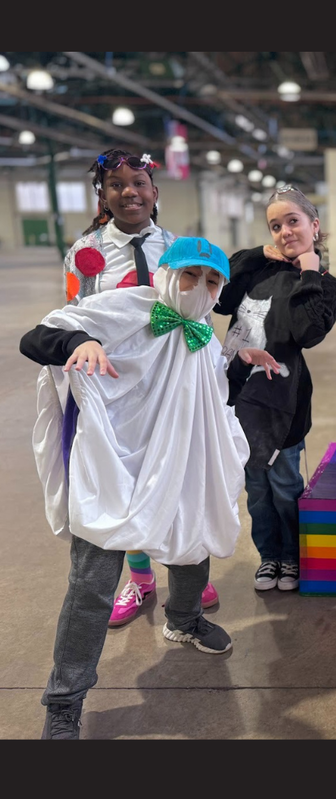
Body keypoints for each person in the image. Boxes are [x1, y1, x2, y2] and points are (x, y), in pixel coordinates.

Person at [20, 236, 280, 738]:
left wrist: (239, 362)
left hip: (179, 457)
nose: (199, 288)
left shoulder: (203, 331)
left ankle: (183, 621)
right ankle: (64, 700)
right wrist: (79, 341)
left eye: (211, 281)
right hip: (114, 463)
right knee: (92, 583)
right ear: (166, 274)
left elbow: (204, 387)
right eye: (190, 275)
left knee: (193, 537)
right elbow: (36, 338)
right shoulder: (125, 307)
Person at [62, 147, 219, 625]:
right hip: (113, 383)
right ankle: (141, 579)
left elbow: (198, 304)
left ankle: (182, 571)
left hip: (169, 381)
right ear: (103, 195)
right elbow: (73, 316)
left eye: (139, 183)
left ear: (155, 193)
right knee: (123, 482)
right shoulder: (85, 252)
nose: (129, 192)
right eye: (116, 185)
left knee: (171, 473)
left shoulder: (174, 244)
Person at [215, 185, 336, 593]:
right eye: (276, 225)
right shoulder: (258, 270)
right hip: (237, 398)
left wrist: (308, 270)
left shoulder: (327, 285)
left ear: (314, 226)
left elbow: (307, 333)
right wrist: (257, 254)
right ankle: (269, 557)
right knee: (255, 492)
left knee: (286, 486)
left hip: (283, 406)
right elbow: (219, 297)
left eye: (293, 221)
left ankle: (293, 557)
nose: (285, 232)